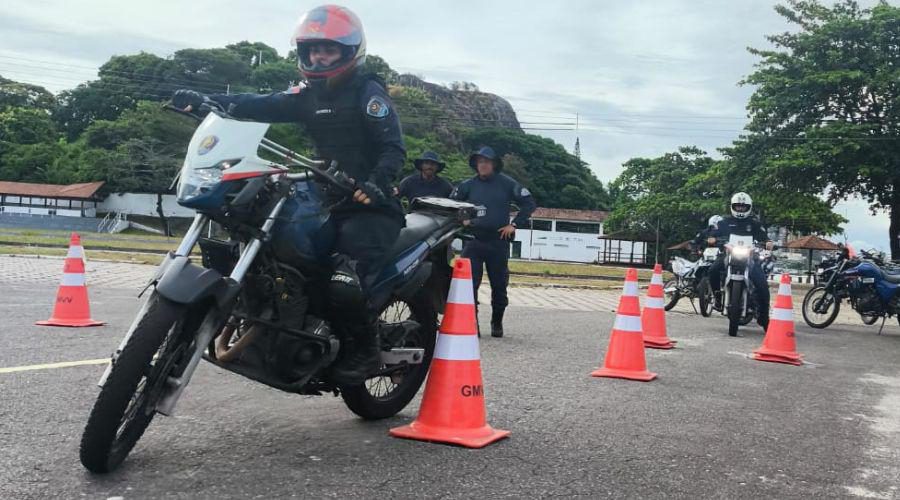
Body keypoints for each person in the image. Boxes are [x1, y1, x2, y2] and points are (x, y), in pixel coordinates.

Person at [172, 5, 404, 385]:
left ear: (349, 51)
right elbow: (256, 103)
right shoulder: (305, 96)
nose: (318, 57)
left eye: (327, 49)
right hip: (324, 198)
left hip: (370, 206)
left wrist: (375, 182)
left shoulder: (368, 91)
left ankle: (363, 352)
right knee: (279, 248)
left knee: (343, 281)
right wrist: (204, 99)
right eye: (312, 50)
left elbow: (392, 147)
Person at [450, 146, 536, 337]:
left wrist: (514, 224)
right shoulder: (467, 185)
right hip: (473, 241)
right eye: (480, 162)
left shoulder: (507, 183)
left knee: (499, 284)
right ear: (476, 164)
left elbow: (529, 203)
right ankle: (472, 324)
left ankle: (497, 322)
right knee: (469, 285)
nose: (483, 165)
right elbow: (452, 204)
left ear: (494, 164)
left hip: (498, 242)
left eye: (487, 162)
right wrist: (462, 219)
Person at [707, 192, 773, 331]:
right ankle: (717, 296)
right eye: (738, 207)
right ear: (732, 207)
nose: (741, 209)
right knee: (712, 270)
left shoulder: (754, 223)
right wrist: (712, 238)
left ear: (748, 207)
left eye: (744, 207)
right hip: (729, 254)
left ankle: (764, 317)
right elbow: (714, 233)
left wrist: (768, 242)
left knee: (762, 285)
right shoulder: (724, 222)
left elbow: (764, 236)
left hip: (749, 256)